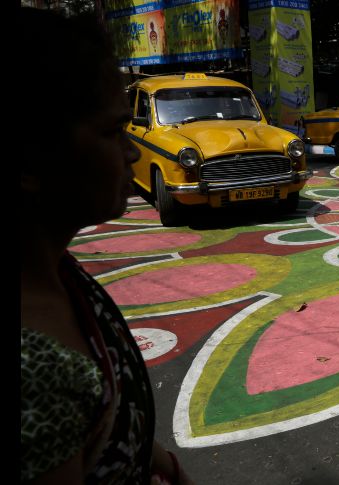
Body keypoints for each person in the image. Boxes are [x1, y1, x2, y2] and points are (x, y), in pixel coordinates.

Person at [19, 8, 193, 484]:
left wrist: (161, 461)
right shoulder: (34, 374)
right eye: (113, 131)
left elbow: (106, 418)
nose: (132, 151)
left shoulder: (57, 270)